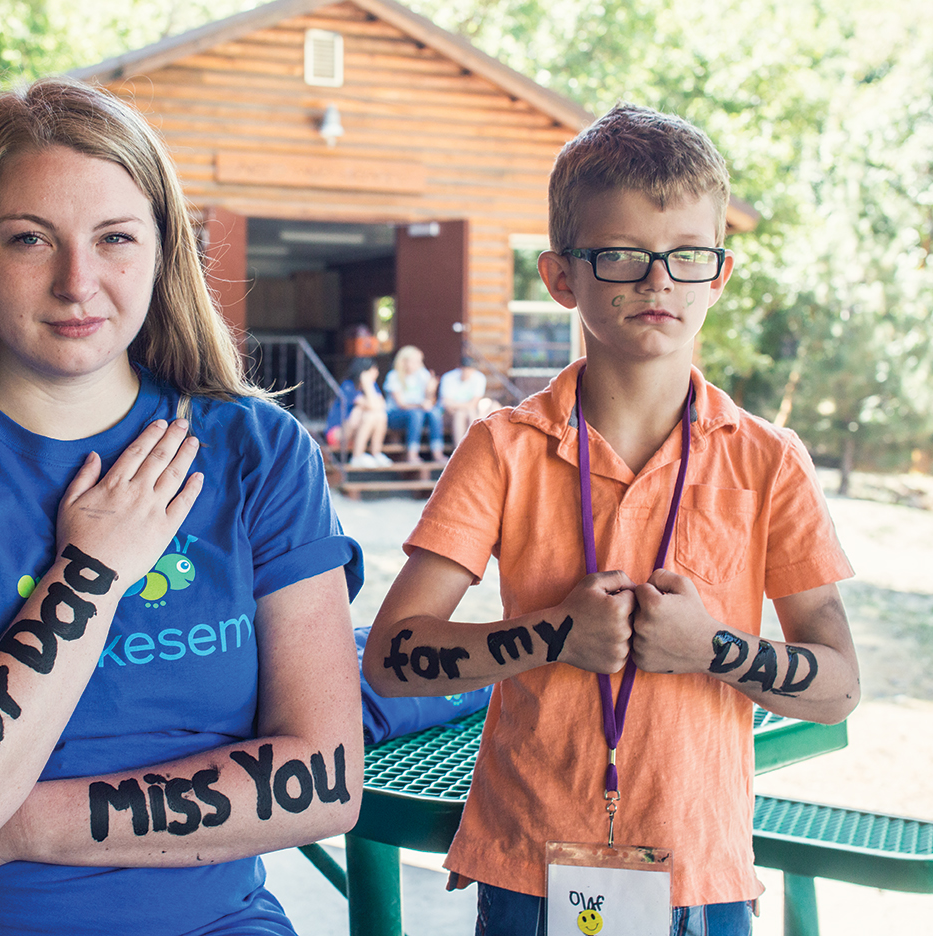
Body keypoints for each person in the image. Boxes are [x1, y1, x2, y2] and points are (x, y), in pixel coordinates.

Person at [0, 78, 364, 936]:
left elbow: (322, 781)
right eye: (29, 239)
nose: (77, 282)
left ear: (164, 254)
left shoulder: (258, 453)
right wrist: (90, 573)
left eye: (115, 237)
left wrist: (20, 825)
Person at [362, 103, 859, 936]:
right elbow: (392, 658)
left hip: (702, 873)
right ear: (563, 277)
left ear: (719, 274)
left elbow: (839, 685)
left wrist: (711, 649)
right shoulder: (502, 450)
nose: (658, 281)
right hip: (527, 866)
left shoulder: (769, 460)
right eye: (623, 257)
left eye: (685, 257)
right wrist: (555, 634)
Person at [383, 345, 445, 463]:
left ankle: (438, 453)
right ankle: (412, 454)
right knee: (416, 414)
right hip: (396, 415)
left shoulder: (422, 374)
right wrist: (421, 405)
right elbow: (401, 404)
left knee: (435, 412)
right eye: (415, 361)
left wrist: (431, 391)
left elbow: (429, 403)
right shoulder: (394, 376)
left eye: (419, 361)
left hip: (419, 413)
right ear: (404, 361)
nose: (419, 364)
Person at [326, 357, 392, 468]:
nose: (377, 373)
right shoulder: (349, 386)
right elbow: (372, 405)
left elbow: (382, 406)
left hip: (356, 433)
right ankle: (357, 456)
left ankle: (376, 453)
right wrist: (367, 384)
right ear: (364, 372)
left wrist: (369, 386)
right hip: (338, 433)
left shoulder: (372, 386)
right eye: (374, 370)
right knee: (366, 413)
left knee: (380, 415)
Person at [438, 356, 496, 448]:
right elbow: (446, 404)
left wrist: (456, 405)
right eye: (465, 369)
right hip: (449, 413)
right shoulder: (449, 378)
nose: (467, 373)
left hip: (466, 412)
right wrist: (463, 406)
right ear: (460, 369)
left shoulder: (479, 378)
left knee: (465, 413)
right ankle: (461, 449)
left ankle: (468, 448)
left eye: (470, 370)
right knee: (461, 414)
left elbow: (473, 404)